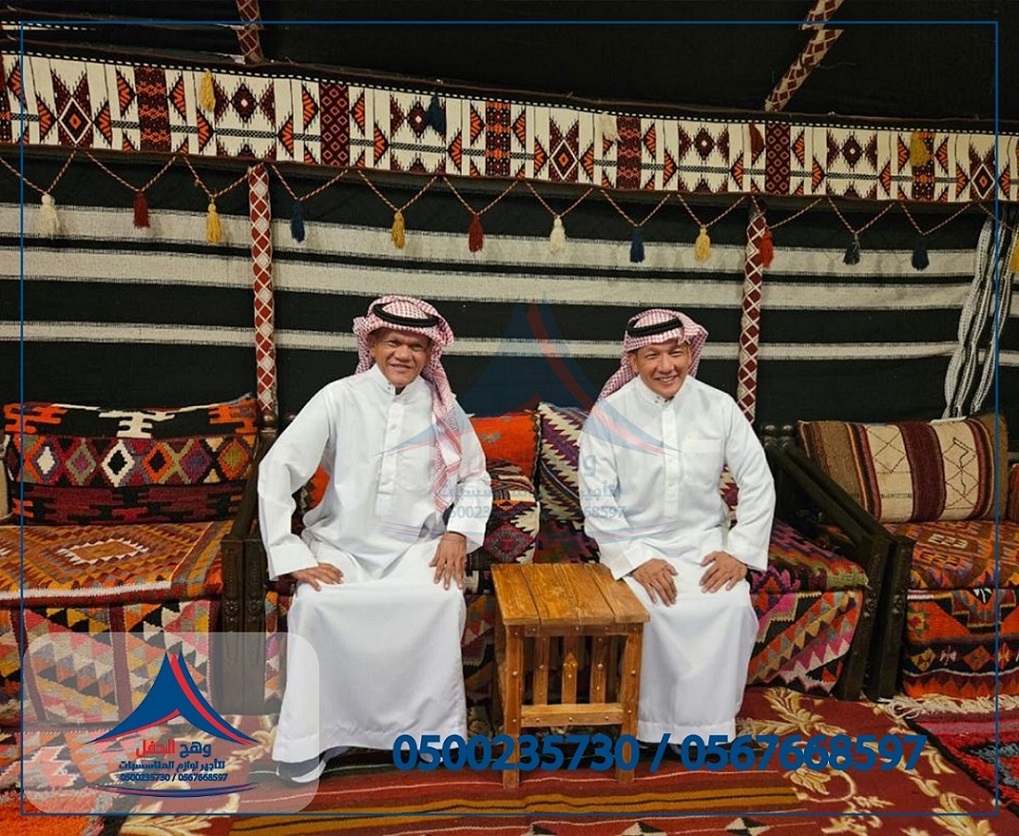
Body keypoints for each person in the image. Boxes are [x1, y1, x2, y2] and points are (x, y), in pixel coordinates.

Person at [258, 295, 493, 782]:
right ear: (373, 343)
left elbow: (475, 475)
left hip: (416, 549)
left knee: (440, 603)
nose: (403, 354)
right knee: (316, 607)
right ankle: (315, 739)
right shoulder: (338, 397)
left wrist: (458, 531)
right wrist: (289, 553)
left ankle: (427, 736)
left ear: (430, 353)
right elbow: (278, 468)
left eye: (416, 346)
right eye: (393, 342)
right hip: (340, 545)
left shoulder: (444, 409)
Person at [579, 308, 775, 746]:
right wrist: (635, 560)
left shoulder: (718, 407)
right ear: (633, 361)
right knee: (654, 609)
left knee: (730, 606)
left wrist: (739, 552)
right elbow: (596, 498)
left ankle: (712, 729)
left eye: (676, 352)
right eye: (652, 355)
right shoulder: (609, 416)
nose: (666, 366)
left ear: (690, 353)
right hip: (638, 547)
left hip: (705, 544)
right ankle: (648, 728)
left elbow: (758, 481)